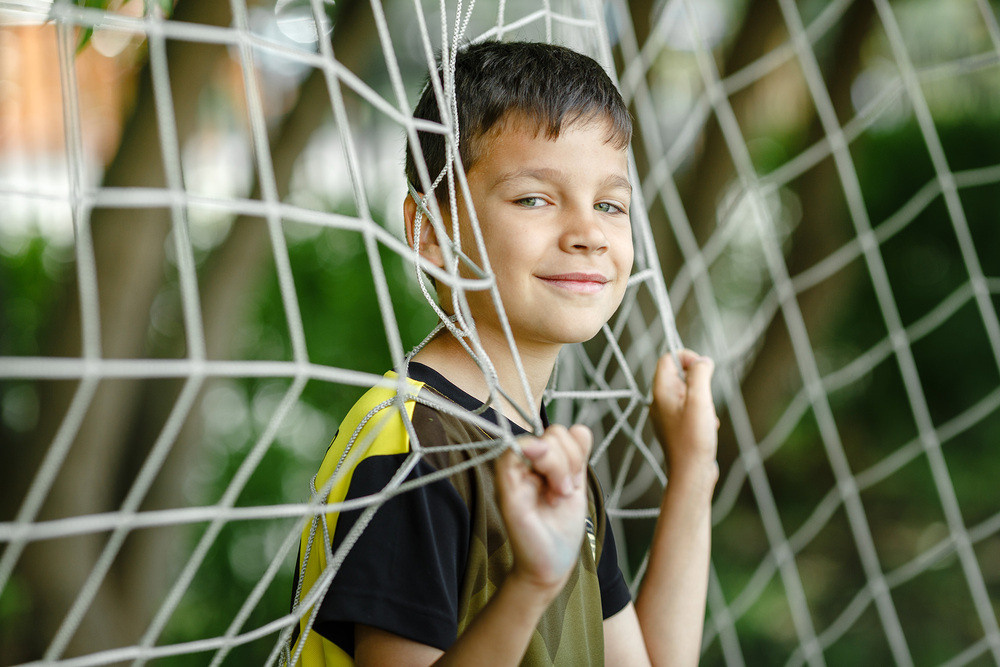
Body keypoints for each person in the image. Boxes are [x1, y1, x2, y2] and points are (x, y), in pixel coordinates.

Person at [289, 41, 719, 666]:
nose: (589, 234)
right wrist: (531, 585)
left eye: (609, 204)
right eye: (534, 199)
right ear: (432, 235)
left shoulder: (546, 459)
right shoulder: (412, 446)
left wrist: (694, 471)